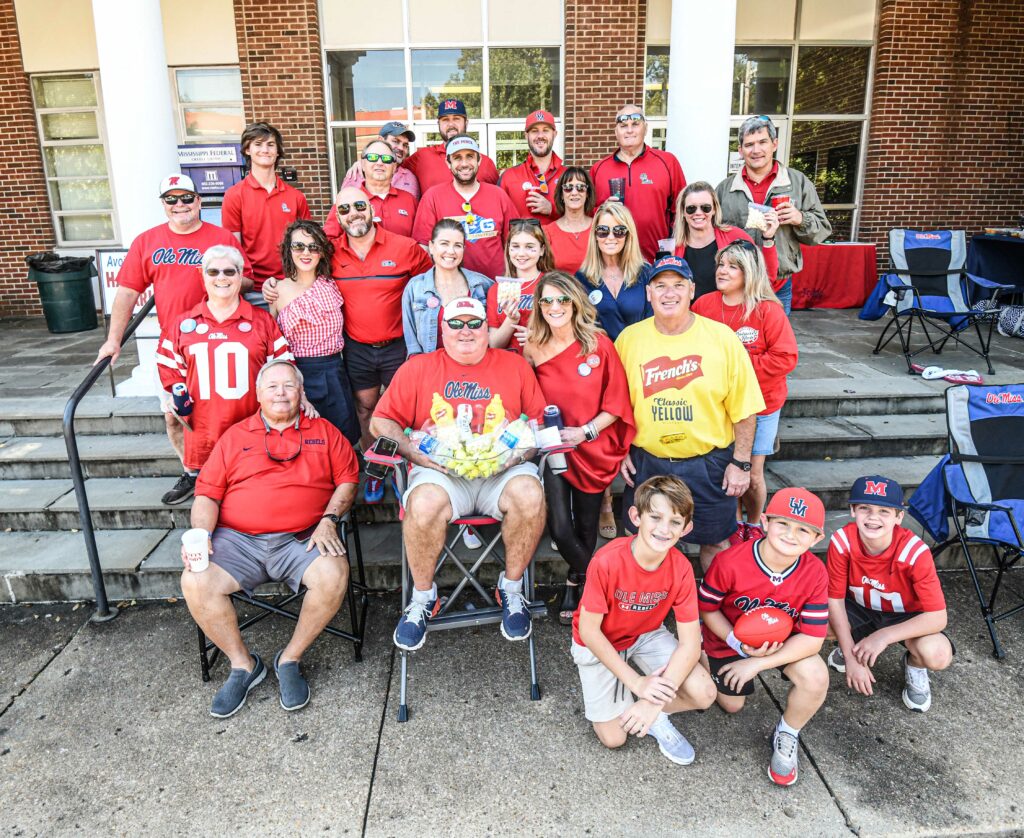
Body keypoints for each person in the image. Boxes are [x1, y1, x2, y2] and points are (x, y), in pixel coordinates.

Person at [181, 359, 359, 718]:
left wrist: (329, 519)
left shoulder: (324, 432)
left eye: (289, 386)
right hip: (238, 541)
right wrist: (200, 536)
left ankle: (289, 659)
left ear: (301, 392)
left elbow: (348, 480)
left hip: (302, 539)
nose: (281, 392)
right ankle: (243, 665)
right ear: (259, 394)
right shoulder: (234, 436)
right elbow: (207, 495)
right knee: (195, 580)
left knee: (333, 574)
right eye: (273, 386)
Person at [369, 297, 547, 651]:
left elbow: (538, 425)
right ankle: (423, 598)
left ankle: (511, 590)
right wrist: (414, 452)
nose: (465, 331)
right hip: (442, 471)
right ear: (442, 329)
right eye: (455, 323)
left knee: (530, 493)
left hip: (502, 470)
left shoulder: (514, 365)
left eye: (474, 323)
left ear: (487, 328)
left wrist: (518, 456)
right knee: (423, 504)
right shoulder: (418, 367)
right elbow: (379, 422)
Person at [96, 174, 253, 506]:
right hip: (173, 346)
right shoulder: (147, 241)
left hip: (219, 340)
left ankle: (238, 475)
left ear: (198, 200)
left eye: (186, 198)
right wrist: (113, 341)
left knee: (228, 413)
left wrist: (224, 278)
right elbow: (127, 293)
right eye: (171, 199)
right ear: (164, 205)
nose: (180, 205)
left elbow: (247, 279)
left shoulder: (220, 237)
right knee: (174, 413)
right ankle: (193, 472)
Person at [267, 186, 431, 503]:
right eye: (344, 209)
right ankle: (376, 468)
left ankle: (410, 470)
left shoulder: (404, 246)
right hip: (356, 349)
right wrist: (270, 283)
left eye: (359, 205)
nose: (353, 213)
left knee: (404, 412)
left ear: (371, 208)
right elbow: (300, 268)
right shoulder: (332, 253)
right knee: (366, 409)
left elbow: (431, 279)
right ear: (337, 217)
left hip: (398, 345)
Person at [615, 255, 764, 572]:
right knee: (642, 539)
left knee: (715, 542)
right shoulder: (628, 340)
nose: (669, 294)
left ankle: (714, 609)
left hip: (708, 464)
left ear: (692, 290)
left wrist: (740, 462)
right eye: (661, 286)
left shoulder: (722, 338)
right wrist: (621, 449)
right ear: (648, 293)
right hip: (648, 460)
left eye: (678, 285)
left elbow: (745, 406)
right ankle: (651, 609)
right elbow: (617, 404)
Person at [572, 476, 718, 763]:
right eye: (655, 517)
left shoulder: (681, 568)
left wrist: (651, 704)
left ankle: (655, 717)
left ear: (686, 528)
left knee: (704, 692)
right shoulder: (606, 560)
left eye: (675, 522)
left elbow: (690, 644)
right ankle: (632, 695)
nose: (664, 529)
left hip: (645, 634)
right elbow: (590, 632)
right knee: (614, 738)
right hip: (601, 640)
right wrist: (637, 683)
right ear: (635, 516)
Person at [697, 488, 830, 787]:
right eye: (783, 524)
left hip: (782, 643)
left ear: (817, 538)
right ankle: (703, 653)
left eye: (803, 530)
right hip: (729, 637)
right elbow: (707, 610)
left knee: (816, 676)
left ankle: (787, 733)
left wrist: (756, 664)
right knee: (732, 705)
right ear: (766, 522)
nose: (791, 535)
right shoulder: (730, 561)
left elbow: (812, 639)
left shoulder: (815, 572)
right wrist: (735, 644)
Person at [522, 272, 634, 624]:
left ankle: (578, 581)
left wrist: (584, 432)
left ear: (575, 302)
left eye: (562, 300)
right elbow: (523, 398)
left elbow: (617, 404)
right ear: (539, 307)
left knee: (587, 525)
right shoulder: (532, 348)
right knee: (559, 526)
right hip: (553, 448)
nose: (555, 307)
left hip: (592, 445)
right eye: (547, 301)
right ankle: (606, 587)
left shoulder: (599, 344)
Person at [155, 245, 296, 496]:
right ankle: (191, 476)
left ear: (240, 275)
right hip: (203, 424)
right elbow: (168, 365)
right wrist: (177, 395)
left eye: (230, 272)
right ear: (202, 274)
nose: (221, 278)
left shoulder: (262, 321)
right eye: (213, 272)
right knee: (207, 496)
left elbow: (283, 365)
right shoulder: (183, 323)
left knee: (249, 494)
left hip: (250, 423)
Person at [692, 240, 798, 527]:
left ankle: (751, 524)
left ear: (749, 272)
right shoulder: (703, 305)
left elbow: (785, 358)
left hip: (761, 405)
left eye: (733, 266)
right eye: (721, 264)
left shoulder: (767, 310)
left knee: (751, 475)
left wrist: (735, 369)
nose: (722, 271)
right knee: (724, 471)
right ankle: (731, 522)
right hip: (718, 406)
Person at [827, 475, 953, 713]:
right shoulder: (843, 541)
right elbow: (834, 600)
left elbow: (938, 617)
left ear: (899, 517)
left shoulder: (914, 552)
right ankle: (853, 648)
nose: (873, 517)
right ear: (853, 510)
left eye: (885, 511)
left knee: (937, 655)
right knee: (812, 624)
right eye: (865, 508)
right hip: (862, 609)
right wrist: (850, 657)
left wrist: (883, 636)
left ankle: (914, 665)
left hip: (904, 615)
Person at [575, 201, 653, 540]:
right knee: (604, 436)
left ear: (628, 234)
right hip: (601, 368)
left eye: (618, 230)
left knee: (640, 431)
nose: (611, 236)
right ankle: (606, 500)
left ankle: (642, 502)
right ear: (594, 234)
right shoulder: (583, 277)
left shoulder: (646, 273)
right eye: (603, 229)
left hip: (640, 363)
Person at [716, 115, 832, 314]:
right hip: (737, 283)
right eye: (749, 144)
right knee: (736, 341)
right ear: (740, 150)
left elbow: (822, 230)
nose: (756, 150)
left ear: (774, 144)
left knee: (776, 342)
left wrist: (800, 219)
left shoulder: (797, 182)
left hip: (778, 285)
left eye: (763, 142)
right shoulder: (725, 189)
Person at [269, 219, 359, 445]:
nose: (306, 253)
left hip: (333, 369)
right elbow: (271, 341)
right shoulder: (276, 290)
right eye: (299, 246)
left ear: (321, 252)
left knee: (339, 435)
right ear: (289, 250)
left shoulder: (332, 283)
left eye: (313, 247)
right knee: (303, 436)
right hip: (297, 372)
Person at [221, 122, 311, 307]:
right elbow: (233, 249)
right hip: (254, 291)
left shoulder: (296, 197)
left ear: (278, 151)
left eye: (270, 145)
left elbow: (307, 245)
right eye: (258, 144)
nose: (265, 150)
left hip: (292, 286)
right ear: (247, 150)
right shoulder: (234, 195)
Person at [590, 104, 686, 262]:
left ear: (645, 128)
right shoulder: (599, 169)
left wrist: (675, 251)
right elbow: (588, 215)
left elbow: (682, 211)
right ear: (616, 132)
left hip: (656, 259)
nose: (629, 130)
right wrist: (601, 209)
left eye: (635, 124)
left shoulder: (667, 162)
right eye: (623, 126)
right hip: (613, 262)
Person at [412, 134, 516, 279]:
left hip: (494, 287)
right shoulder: (433, 197)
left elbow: (515, 242)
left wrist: (509, 280)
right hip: (451, 289)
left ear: (479, 160)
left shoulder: (499, 195)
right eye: (457, 158)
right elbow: (424, 248)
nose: (464, 163)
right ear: (448, 163)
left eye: (470, 156)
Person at [672, 181, 778, 301]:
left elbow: (767, 277)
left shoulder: (734, 236)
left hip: (728, 315)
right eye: (691, 208)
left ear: (714, 210)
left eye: (705, 208)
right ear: (683, 212)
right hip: (690, 317)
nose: (698, 212)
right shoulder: (673, 248)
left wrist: (768, 238)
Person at [402, 218, 493, 356]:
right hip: (431, 371)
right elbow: (413, 346)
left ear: (464, 249)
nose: (451, 251)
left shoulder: (483, 285)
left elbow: (494, 338)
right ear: (431, 247)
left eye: (457, 245)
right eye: (444, 244)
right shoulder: (415, 288)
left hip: (476, 370)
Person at [325, 138, 417, 238]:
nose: (379, 163)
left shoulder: (409, 200)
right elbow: (328, 241)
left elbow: (419, 243)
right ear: (363, 165)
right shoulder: (347, 201)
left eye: (386, 159)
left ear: (394, 167)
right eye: (372, 157)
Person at [486, 219, 553, 352]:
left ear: (542, 250)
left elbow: (568, 335)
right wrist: (511, 320)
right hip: (509, 365)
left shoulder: (552, 284)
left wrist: (538, 336)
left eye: (529, 247)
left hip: (544, 361)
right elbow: (494, 344)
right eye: (515, 246)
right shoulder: (497, 289)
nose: (521, 253)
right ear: (508, 250)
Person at [403, 99, 499, 193]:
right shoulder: (421, 157)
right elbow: (393, 170)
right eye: (445, 120)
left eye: (456, 119)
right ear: (438, 124)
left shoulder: (486, 163)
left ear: (466, 123)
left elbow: (496, 199)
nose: (451, 124)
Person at [499, 110, 565, 222]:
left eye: (546, 130)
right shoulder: (508, 177)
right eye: (535, 131)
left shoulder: (569, 176)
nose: (540, 136)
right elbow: (499, 220)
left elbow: (582, 218)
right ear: (526, 136)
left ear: (554, 134)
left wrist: (552, 209)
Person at [341, 121, 420, 199]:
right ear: (380, 140)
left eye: (405, 145)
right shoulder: (356, 174)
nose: (401, 148)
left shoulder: (410, 177)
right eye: (395, 141)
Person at [544, 166, 594, 274]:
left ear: (588, 194)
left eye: (580, 187)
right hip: (560, 290)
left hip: (595, 290)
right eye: (568, 187)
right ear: (562, 194)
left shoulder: (600, 229)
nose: (574, 192)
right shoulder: (547, 232)